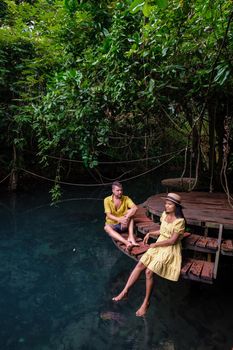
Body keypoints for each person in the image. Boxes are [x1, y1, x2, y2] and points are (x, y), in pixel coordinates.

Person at [112, 192, 186, 317]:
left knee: (148, 272)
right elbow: (163, 231)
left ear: (176, 206)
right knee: (140, 264)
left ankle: (146, 302)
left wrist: (155, 245)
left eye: (170, 204)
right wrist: (150, 233)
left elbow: (173, 240)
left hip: (170, 248)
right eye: (166, 204)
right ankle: (125, 292)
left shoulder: (180, 221)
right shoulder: (164, 215)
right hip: (160, 243)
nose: (167, 206)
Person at [104, 181, 139, 251]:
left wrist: (126, 217)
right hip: (113, 225)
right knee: (106, 228)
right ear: (113, 191)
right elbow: (108, 215)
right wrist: (119, 219)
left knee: (131, 213)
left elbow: (135, 207)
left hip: (124, 224)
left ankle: (131, 237)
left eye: (121, 190)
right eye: (117, 190)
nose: (120, 192)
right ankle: (127, 243)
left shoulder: (126, 198)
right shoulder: (107, 200)